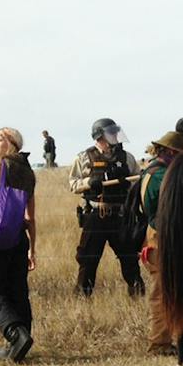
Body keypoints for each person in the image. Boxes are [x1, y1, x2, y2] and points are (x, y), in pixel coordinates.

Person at [0, 127, 37, 363]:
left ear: (11, 143)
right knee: (18, 289)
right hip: (18, 236)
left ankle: (16, 335)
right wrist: (34, 247)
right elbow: (31, 216)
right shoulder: (29, 171)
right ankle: (21, 342)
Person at [68, 118, 144, 297]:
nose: (116, 136)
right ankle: (82, 297)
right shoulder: (84, 158)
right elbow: (73, 184)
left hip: (121, 216)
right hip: (96, 215)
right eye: (111, 133)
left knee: (129, 257)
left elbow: (138, 180)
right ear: (99, 136)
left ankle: (138, 294)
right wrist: (89, 182)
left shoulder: (127, 158)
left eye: (116, 132)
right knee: (88, 258)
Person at [140, 130, 183, 354]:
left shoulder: (153, 171)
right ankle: (159, 343)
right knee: (162, 291)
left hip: (159, 235)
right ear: (172, 152)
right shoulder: (162, 176)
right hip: (161, 237)